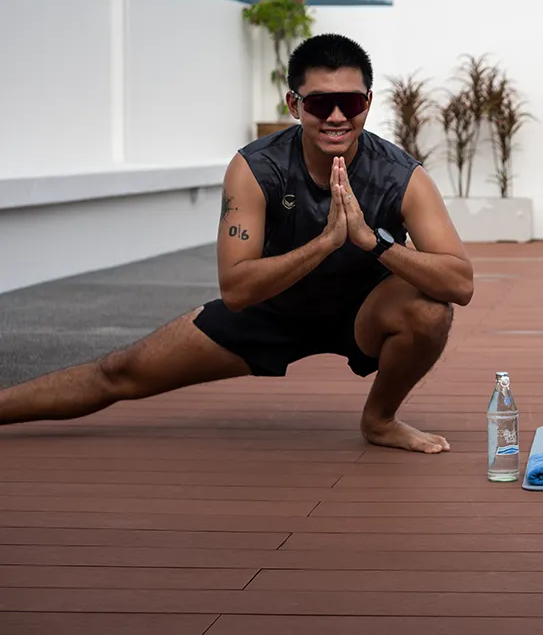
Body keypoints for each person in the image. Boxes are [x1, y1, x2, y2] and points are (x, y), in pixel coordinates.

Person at [0, 33, 473, 454]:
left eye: (349, 103)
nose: (335, 116)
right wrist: (327, 242)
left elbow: (460, 282)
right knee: (121, 371)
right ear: (293, 104)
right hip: (272, 309)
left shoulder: (400, 175)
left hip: (367, 313)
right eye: (318, 104)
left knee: (429, 310)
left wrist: (372, 241)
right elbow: (237, 290)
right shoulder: (256, 167)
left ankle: (380, 419)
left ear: (368, 102)